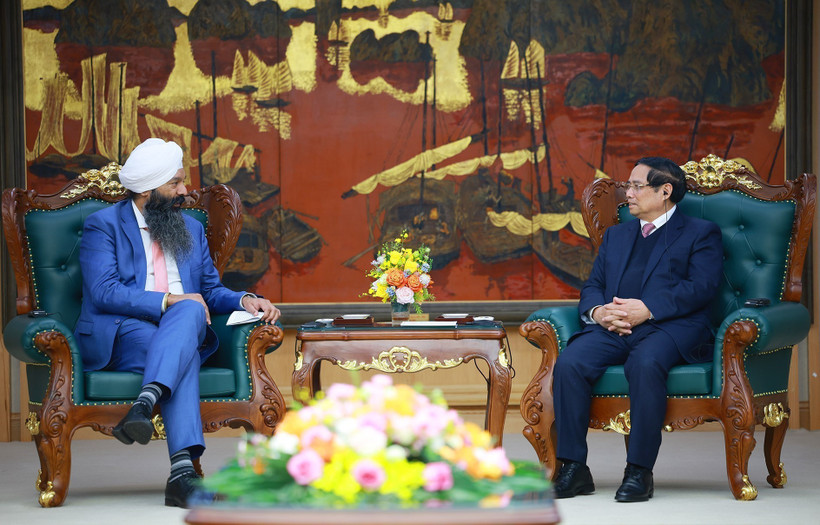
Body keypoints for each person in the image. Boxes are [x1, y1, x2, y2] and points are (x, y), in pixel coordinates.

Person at [73, 138, 281, 507]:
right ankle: (182, 475)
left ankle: (145, 402)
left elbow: (211, 291)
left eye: (183, 182)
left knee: (187, 312)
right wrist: (171, 300)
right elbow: (104, 292)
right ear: (148, 190)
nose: (185, 191)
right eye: (175, 184)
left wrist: (245, 299)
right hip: (123, 332)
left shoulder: (190, 228)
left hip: (180, 330)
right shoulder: (102, 225)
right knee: (184, 323)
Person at [552, 157, 723, 502]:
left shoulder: (700, 232)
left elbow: (702, 287)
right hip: (613, 328)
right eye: (627, 185)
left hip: (669, 327)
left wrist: (649, 309)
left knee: (644, 364)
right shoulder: (616, 235)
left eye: (635, 186)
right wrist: (599, 312)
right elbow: (593, 286)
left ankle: (639, 471)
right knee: (570, 363)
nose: (627, 193)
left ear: (665, 191)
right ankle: (573, 468)